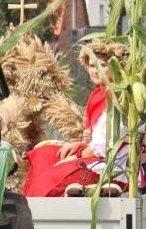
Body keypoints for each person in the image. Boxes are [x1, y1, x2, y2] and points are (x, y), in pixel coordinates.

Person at [22, 40, 129, 197]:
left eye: (102, 65)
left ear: (116, 67)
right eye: (92, 66)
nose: (95, 70)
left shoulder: (120, 98)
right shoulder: (99, 94)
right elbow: (97, 137)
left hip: (106, 164)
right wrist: (80, 143)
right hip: (94, 153)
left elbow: (105, 145)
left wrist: (76, 156)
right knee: (44, 154)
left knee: (48, 177)